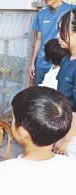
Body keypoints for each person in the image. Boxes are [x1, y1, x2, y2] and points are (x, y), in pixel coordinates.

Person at [0, 86, 76, 195]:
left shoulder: (1, 173)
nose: (12, 123)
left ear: (22, 132)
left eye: (13, 119)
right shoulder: (71, 167)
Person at [29, 0, 75, 86]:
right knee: (40, 94)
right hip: (42, 62)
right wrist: (32, 63)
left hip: (61, 62)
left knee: (58, 94)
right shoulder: (41, 14)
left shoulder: (71, 10)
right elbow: (38, 39)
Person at [53, 9, 76, 158]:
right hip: (64, 126)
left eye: (62, 31)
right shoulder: (66, 59)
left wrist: (66, 140)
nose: (57, 36)